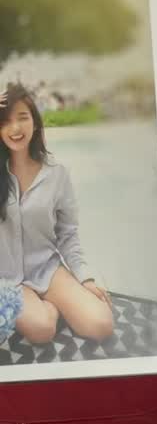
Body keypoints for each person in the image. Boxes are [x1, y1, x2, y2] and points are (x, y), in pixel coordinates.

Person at [0, 83, 113, 346]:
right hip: (6, 278)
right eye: (5, 121)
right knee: (41, 329)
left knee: (101, 324)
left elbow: (67, 234)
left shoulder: (56, 174)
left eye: (23, 117)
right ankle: (47, 309)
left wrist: (85, 277)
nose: (15, 128)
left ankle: (53, 302)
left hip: (46, 269)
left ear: (35, 123)